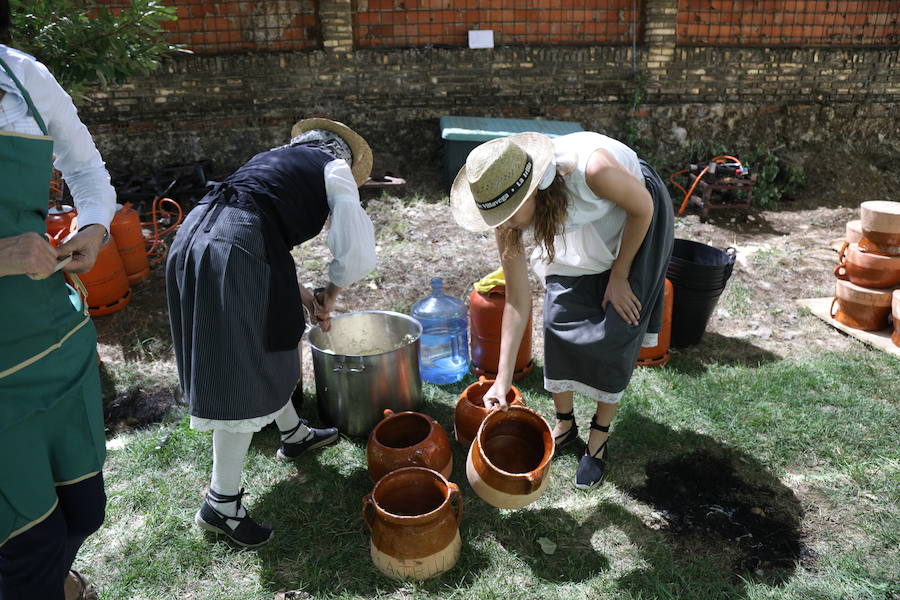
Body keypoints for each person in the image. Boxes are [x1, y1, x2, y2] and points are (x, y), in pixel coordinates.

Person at [166, 118, 376, 548]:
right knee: (242, 366)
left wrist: (306, 296)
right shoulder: (332, 168)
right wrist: (332, 294)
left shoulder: (271, 160)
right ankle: (221, 504)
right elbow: (354, 253)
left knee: (272, 338)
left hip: (197, 236)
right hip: (233, 249)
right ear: (343, 157)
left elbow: (260, 225)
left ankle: (294, 434)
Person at [450, 131, 674, 490]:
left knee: (617, 328)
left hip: (632, 214)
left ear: (534, 189)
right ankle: (565, 424)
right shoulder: (504, 211)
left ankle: (598, 439)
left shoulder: (594, 171)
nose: (503, 224)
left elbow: (643, 207)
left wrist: (619, 275)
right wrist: (502, 381)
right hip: (568, 221)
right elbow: (517, 302)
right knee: (558, 320)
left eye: (508, 214)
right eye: (496, 216)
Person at [0, 1, 117, 598]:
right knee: (25, 544)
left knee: (85, 509)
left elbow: (88, 171)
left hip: (55, 340)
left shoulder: (21, 75)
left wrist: (94, 229)